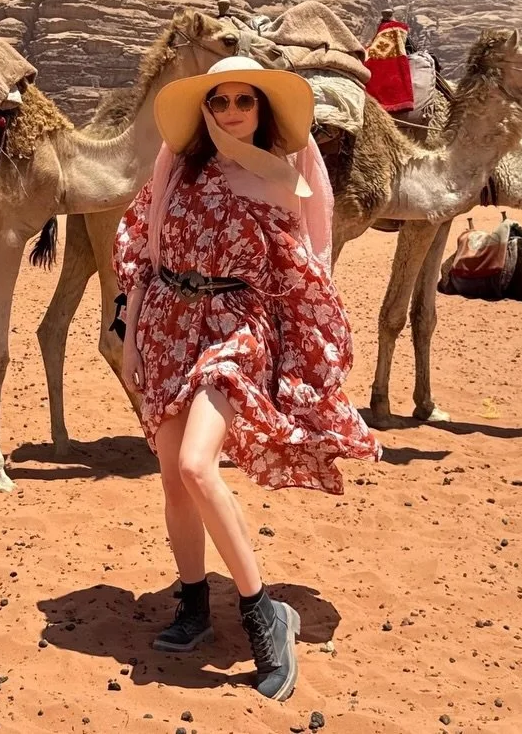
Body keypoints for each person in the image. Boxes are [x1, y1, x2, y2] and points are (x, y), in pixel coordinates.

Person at [113, 55, 381, 701]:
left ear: (262, 110)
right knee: (174, 474)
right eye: (220, 102)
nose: (230, 111)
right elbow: (143, 256)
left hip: (236, 326)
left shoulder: (282, 181)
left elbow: (302, 271)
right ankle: (195, 604)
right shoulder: (176, 171)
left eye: (243, 101)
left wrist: (311, 350)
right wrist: (128, 338)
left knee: (201, 466)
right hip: (169, 327)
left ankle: (264, 614)